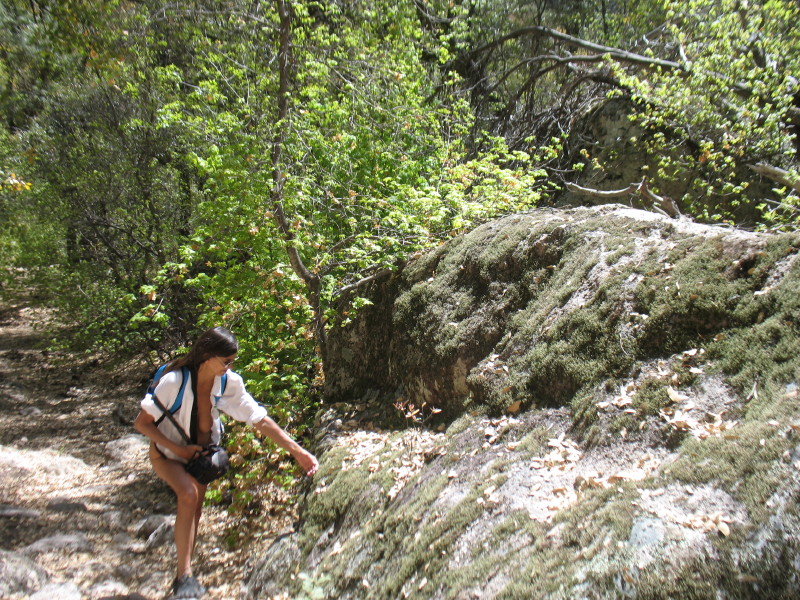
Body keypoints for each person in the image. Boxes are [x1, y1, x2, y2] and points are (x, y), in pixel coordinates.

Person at [133, 326, 319, 599]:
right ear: (207, 355)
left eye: (233, 362)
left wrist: (298, 452)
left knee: (195, 509)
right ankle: (183, 577)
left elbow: (258, 418)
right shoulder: (174, 382)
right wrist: (180, 450)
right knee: (188, 495)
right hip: (167, 454)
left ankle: (185, 573)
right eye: (226, 361)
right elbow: (142, 423)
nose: (230, 367)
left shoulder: (227, 383)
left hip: (202, 457)